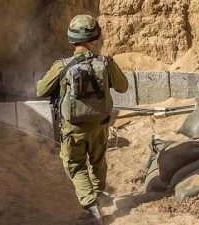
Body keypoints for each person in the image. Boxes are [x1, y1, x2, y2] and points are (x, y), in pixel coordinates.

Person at [36, 14, 128, 224]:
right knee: (98, 161)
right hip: (100, 125)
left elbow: (41, 90)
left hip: (73, 128)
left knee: (75, 166)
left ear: (71, 38)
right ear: (95, 38)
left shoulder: (62, 66)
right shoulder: (106, 63)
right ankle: (99, 194)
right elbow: (123, 86)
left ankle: (92, 208)